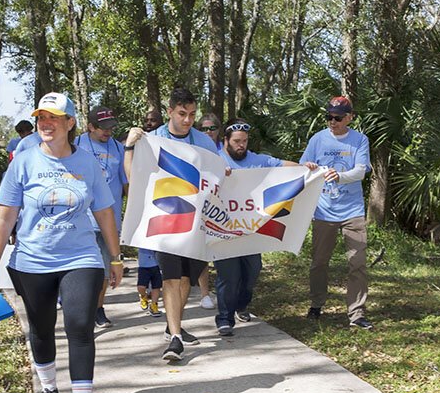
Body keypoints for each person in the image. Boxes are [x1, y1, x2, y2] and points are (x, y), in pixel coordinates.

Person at [0, 92, 123, 393]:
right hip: (32, 260)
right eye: (41, 117)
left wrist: (115, 257)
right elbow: (6, 216)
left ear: (69, 123)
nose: (45, 123)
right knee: (42, 330)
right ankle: (49, 389)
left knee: (79, 327)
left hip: (81, 257)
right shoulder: (23, 161)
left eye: (53, 118)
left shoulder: (87, 163)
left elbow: (104, 210)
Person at [124, 88, 220, 362]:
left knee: (187, 279)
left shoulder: (204, 141)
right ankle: (175, 339)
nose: (188, 120)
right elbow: (134, 178)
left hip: (196, 223)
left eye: (192, 114)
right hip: (165, 221)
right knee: (171, 277)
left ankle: (173, 324)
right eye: (182, 114)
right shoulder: (152, 141)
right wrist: (131, 147)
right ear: (169, 111)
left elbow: (217, 177)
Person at [213, 118, 308, 336]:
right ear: (225, 140)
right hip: (223, 230)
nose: (241, 145)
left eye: (245, 141)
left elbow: (284, 167)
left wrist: (306, 168)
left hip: (250, 229)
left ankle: (241, 304)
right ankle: (225, 319)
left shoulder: (257, 160)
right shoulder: (215, 160)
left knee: (252, 272)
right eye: (237, 141)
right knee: (228, 277)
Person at [300, 96, 373, 329]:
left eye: (338, 118)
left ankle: (356, 314)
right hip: (323, 211)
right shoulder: (318, 139)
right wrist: (309, 167)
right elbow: (303, 166)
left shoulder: (359, 140)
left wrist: (340, 176)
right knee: (319, 262)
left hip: (352, 211)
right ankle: (316, 304)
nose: (333, 122)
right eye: (329, 117)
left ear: (350, 117)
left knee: (357, 262)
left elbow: (361, 171)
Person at [75, 105, 128, 328]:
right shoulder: (77, 145)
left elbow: (126, 182)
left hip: (110, 219)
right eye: (103, 128)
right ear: (90, 127)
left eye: (111, 128)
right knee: (83, 269)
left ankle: (98, 308)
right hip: (82, 219)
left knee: (106, 268)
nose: (108, 132)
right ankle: (81, 309)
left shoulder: (118, 147)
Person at [193, 113, 223, 310]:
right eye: (203, 128)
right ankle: (204, 293)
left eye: (212, 128)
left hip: (224, 207)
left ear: (218, 130)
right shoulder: (196, 147)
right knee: (202, 252)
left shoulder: (225, 149)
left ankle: (223, 291)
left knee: (222, 251)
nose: (208, 132)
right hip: (200, 204)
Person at [137, 248, 162, 317]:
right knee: (141, 287)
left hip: (157, 266)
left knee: (156, 287)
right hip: (143, 267)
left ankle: (154, 306)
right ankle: (143, 296)